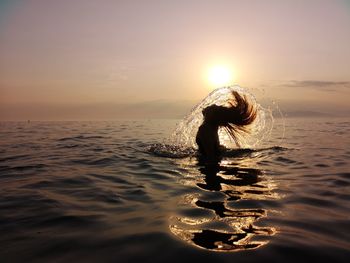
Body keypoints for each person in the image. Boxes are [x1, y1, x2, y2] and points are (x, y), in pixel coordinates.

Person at [196, 91, 257, 161]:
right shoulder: (207, 129)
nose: (214, 105)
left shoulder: (207, 129)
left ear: (214, 116)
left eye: (215, 108)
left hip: (208, 168)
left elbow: (210, 157)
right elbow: (211, 155)